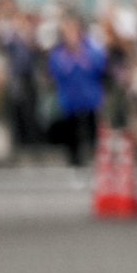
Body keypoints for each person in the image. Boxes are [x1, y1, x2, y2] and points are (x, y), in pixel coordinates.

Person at [47, 14, 109, 167]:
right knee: (71, 132)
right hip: (70, 99)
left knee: (91, 129)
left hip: (90, 97)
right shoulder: (59, 53)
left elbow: (100, 66)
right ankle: (75, 162)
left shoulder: (91, 49)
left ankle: (96, 161)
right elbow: (55, 71)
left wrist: (81, 57)